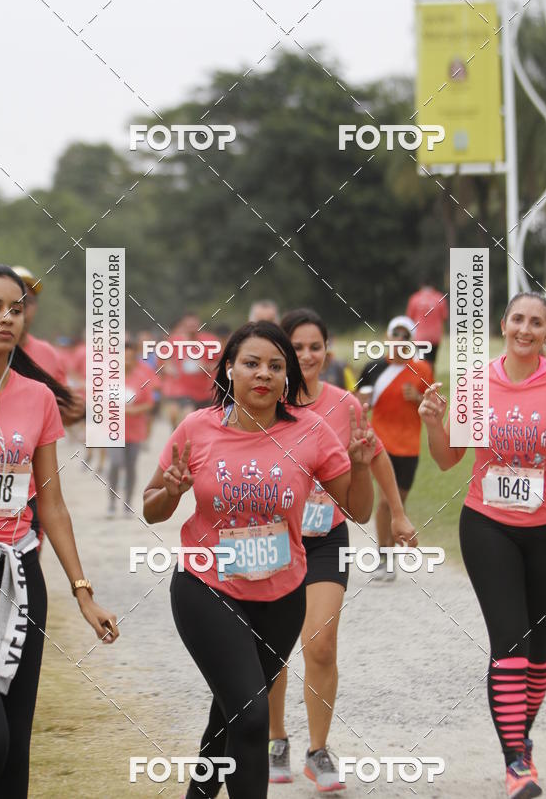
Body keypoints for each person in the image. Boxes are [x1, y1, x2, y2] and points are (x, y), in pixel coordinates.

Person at [143, 321, 376, 799]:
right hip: (206, 587)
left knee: (227, 717)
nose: (263, 374)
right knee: (251, 717)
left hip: (281, 595)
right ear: (229, 368)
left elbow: (358, 509)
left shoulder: (310, 432)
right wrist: (169, 489)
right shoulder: (197, 427)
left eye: (276, 366)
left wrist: (364, 464)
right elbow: (152, 507)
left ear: (287, 376)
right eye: (251, 363)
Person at [419, 291, 546, 798]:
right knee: (509, 642)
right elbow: (449, 460)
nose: (525, 329)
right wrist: (432, 422)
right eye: (517, 319)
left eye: (536, 322)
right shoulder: (476, 382)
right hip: (488, 525)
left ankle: (521, 741)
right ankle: (516, 762)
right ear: (503, 324)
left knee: (539, 654)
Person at [268, 309, 417, 791]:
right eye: (298, 346)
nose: (307, 356)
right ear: (282, 351)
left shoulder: (346, 405)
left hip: (327, 537)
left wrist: (396, 514)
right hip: (271, 539)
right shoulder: (264, 402)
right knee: (272, 649)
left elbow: (375, 456)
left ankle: (317, 751)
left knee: (321, 643)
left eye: (315, 347)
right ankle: (276, 742)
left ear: (326, 351)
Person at [0, 265, 119, 799]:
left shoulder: (38, 397)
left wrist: (83, 592)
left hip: (20, 578)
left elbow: (54, 503)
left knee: (16, 745)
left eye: (15, 309)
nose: (6, 318)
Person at [357, 316, 432, 581]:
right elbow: (358, 402)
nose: (400, 341)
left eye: (405, 337)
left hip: (410, 445)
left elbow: (432, 405)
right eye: (395, 336)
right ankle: (384, 558)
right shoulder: (375, 368)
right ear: (388, 339)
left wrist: (419, 398)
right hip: (382, 443)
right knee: (386, 501)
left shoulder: (422, 369)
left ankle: (388, 556)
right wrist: (363, 402)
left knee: (399, 501)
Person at [11, 267, 84, 425]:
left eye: (28, 301)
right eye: (15, 300)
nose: (21, 306)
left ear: (36, 308)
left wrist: (74, 412)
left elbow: (61, 413)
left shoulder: (48, 354)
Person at [106, 337, 154, 517]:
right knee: (116, 463)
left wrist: (134, 410)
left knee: (131, 466)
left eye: (130, 358)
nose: (126, 361)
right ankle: (111, 502)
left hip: (135, 431)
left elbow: (149, 403)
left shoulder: (142, 378)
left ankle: (127, 503)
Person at [161, 312, 219, 430]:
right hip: (183, 390)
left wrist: (206, 366)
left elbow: (219, 364)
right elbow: (165, 362)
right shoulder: (174, 341)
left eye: (194, 324)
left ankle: (191, 441)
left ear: (199, 324)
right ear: (184, 325)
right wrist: (170, 369)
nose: (192, 327)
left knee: (203, 424)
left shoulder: (210, 341)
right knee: (188, 415)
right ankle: (179, 435)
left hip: (205, 391)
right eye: (189, 325)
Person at [406, 281, 448, 370]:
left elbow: (409, 318)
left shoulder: (414, 298)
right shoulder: (439, 298)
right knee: (432, 361)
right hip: (435, 336)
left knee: (421, 361)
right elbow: (444, 317)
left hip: (420, 336)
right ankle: (430, 380)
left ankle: (423, 381)